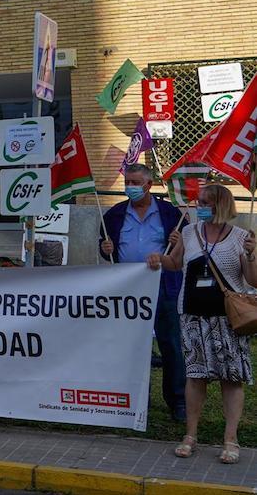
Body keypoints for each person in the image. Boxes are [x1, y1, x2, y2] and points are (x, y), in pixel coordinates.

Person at [149, 185, 255, 465]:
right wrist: (161, 258)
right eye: (199, 201)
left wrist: (253, 254)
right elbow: (175, 264)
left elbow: (253, 280)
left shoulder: (242, 237)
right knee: (195, 376)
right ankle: (190, 435)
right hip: (192, 315)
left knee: (231, 379)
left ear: (221, 205)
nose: (200, 205)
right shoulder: (188, 231)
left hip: (228, 319)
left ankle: (231, 438)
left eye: (206, 202)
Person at [100, 164, 186, 422]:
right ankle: (136, 398)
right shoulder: (115, 215)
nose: (130, 187)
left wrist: (178, 242)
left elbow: (186, 247)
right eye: (128, 182)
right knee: (132, 347)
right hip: (129, 290)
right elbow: (104, 249)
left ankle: (178, 401)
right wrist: (105, 249)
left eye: (136, 183)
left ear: (149, 185)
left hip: (163, 287)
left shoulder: (170, 214)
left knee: (170, 344)